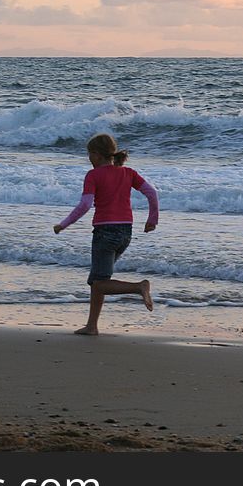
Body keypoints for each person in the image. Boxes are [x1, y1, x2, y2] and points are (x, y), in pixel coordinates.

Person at [53, 133, 159, 335]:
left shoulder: (93, 175)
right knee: (99, 279)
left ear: (98, 155)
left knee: (100, 283)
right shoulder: (128, 173)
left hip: (105, 232)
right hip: (125, 233)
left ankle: (139, 287)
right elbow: (152, 193)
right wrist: (152, 220)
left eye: (89, 155)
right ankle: (92, 326)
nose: (89, 159)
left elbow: (85, 205)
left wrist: (63, 224)